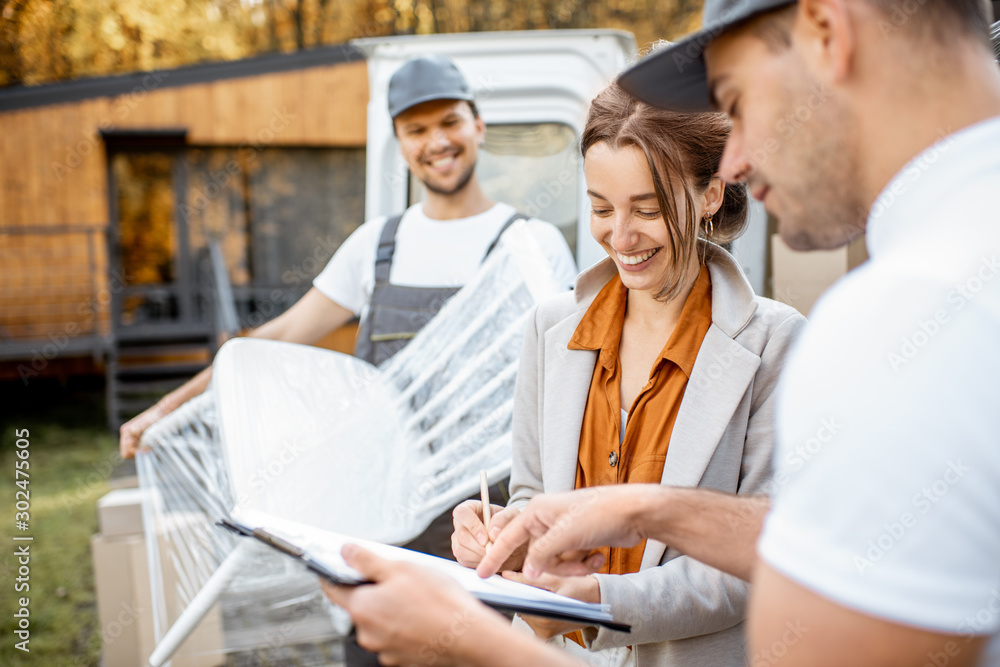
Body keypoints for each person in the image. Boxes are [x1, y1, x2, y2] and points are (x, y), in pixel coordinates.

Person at [324, 1, 1000, 666]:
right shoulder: (553, 328)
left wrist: (475, 638)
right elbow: (809, 537)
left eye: (735, 102)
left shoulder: (889, 316)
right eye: (599, 209)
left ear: (827, 30)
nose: (735, 160)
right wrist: (574, 523)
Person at [445, 81, 803, 666]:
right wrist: (502, 536)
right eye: (601, 208)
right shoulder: (550, 328)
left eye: (648, 209)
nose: (621, 235)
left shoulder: (776, 343)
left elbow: (759, 558)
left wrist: (598, 602)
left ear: (710, 194)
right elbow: (536, 495)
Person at [119, 54, 576, 460]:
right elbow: (271, 341)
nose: (436, 142)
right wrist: (165, 411)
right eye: (416, 130)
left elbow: (571, 377)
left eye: (449, 122)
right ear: (400, 143)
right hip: (391, 505)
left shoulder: (533, 244)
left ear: (478, 125)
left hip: (496, 505)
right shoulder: (375, 244)